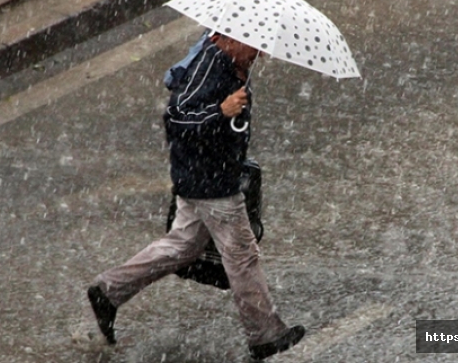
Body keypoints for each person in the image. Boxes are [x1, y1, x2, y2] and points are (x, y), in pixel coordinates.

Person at [86, 32, 305, 361]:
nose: (260, 53)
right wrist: (222, 110)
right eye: (254, 44)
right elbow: (176, 118)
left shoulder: (227, 63)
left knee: (183, 246)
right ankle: (265, 334)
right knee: (242, 255)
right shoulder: (209, 65)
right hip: (210, 182)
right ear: (227, 37)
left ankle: (109, 290)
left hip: (205, 176)